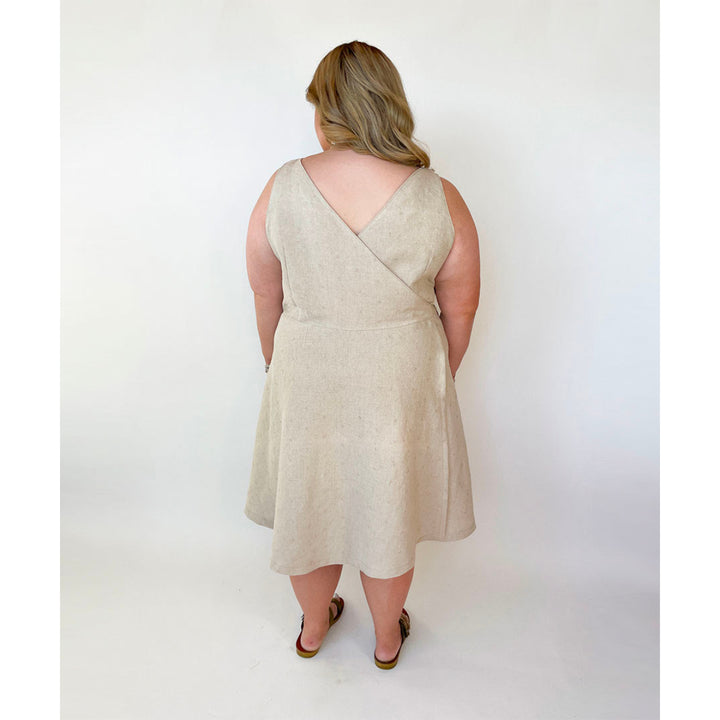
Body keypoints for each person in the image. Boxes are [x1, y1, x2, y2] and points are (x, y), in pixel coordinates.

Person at [244, 40, 480, 669]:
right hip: (400, 375)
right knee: (387, 509)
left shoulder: (284, 186)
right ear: (389, 103)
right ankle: (385, 639)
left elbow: (266, 294)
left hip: (307, 367)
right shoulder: (439, 195)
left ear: (327, 111)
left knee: (309, 505)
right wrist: (435, 377)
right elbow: (460, 308)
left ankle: (313, 628)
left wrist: (276, 364)